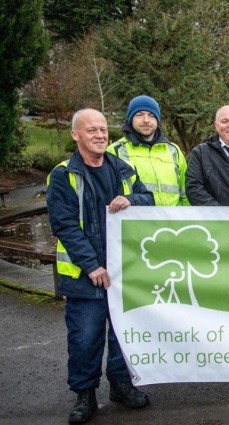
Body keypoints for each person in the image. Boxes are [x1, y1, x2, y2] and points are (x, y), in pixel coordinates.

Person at [47, 109, 154, 423]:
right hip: (85, 275)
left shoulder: (122, 168)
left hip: (123, 271)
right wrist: (92, 265)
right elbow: (64, 225)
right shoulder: (63, 174)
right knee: (85, 337)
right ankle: (85, 394)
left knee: (122, 333)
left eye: (103, 129)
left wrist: (132, 200)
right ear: (76, 135)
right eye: (91, 130)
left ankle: (120, 384)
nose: (99, 135)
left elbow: (148, 197)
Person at [107, 95, 189, 206]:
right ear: (130, 119)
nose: (146, 120)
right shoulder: (114, 151)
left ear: (157, 120)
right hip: (136, 221)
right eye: (139, 115)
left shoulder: (173, 150)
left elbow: (185, 192)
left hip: (172, 221)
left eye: (151, 115)